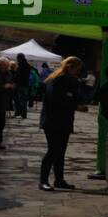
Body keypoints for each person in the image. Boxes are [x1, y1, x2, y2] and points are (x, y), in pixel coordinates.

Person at [39, 55, 85, 190]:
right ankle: (43, 181)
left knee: (60, 152)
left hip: (64, 120)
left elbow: (75, 96)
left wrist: (73, 97)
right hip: (53, 121)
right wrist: (74, 104)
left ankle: (59, 180)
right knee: (53, 151)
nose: (78, 71)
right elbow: (57, 100)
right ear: (70, 67)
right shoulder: (57, 80)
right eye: (77, 69)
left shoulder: (69, 80)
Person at [0, 57, 13, 150]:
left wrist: (11, 86)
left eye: (8, 66)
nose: (7, 68)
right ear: (0, 65)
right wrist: (3, 87)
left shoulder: (8, 73)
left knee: (1, 124)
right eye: (6, 66)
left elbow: (10, 81)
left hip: (3, 102)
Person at [13, 54, 31, 120]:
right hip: (24, 85)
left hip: (20, 85)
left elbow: (18, 75)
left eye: (17, 58)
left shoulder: (21, 66)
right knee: (23, 100)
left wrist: (15, 81)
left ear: (20, 58)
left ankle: (21, 114)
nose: (17, 59)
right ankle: (22, 114)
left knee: (19, 100)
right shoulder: (27, 65)